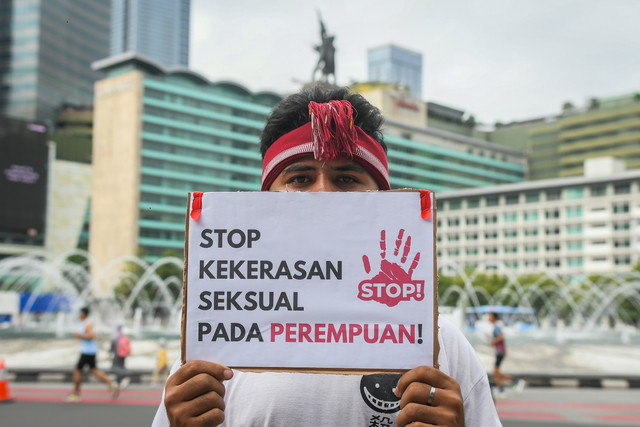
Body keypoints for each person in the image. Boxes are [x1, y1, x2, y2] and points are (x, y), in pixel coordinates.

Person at [153, 85, 501, 426]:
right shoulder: (213, 346)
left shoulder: (439, 345)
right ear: (264, 201)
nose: (322, 193)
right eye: (300, 178)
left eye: (347, 177)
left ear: (383, 200)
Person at [67, 307, 118, 401]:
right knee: (93, 370)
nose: (78, 315)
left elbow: (91, 335)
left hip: (87, 352)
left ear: (82, 314)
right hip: (90, 351)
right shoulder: (86, 323)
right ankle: (111, 383)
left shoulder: (87, 324)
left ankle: (76, 393)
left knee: (77, 371)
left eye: (79, 313)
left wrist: (79, 336)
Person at [488, 312, 525, 399]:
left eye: (490, 316)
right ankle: (505, 388)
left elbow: (501, 338)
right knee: (496, 372)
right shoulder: (496, 327)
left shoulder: (496, 327)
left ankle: (512, 384)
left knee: (496, 372)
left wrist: (493, 342)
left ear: (494, 317)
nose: (488, 318)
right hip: (500, 352)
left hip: (500, 352)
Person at [110, 324, 131, 396]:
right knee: (121, 367)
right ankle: (120, 381)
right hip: (123, 355)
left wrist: (110, 354)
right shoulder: (124, 335)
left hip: (117, 355)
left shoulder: (115, 336)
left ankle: (125, 377)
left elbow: (112, 347)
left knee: (115, 368)